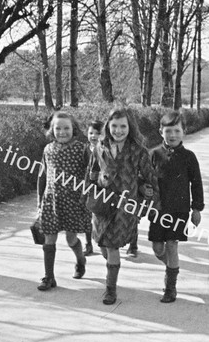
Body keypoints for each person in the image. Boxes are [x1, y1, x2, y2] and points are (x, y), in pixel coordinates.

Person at [88, 107, 160, 305]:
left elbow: (151, 178)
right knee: (102, 245)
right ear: (108, 127)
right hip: (102, 205)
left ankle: (110, 290)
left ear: (130, 127)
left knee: (112, 247)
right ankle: (112, 270)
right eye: (114, 126)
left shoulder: (138, 151)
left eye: (123, 126)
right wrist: (98, 182)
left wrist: (149, 204)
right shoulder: (99, 148)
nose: (118, 130)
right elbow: (91, 174)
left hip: (125, 208)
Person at [149, 111, 204, 303]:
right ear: (160, 131)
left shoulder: (189, 157)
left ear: (184, 132)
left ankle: (170, 287)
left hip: (179, 209)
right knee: (157, 248)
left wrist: (196, 209)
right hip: (157, 210)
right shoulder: (153, 154)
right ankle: (172, 268)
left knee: (172, 244)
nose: (172, 135)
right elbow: (144, 180)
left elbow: (196, 184)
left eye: (177, 131)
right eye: (168, 131)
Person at [37, 111, 92, 290]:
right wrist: (39, 202)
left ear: (73, 129)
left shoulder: (82, 149)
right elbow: (43, 176)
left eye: (66, 128)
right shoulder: (48, 149)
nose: (62, 132)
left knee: (70, 239)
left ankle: (80, 260)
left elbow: (91, 174)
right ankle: (48, 277)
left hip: (74, 201)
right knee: (49, 239)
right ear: (52, 130)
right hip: (51, 201)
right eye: (58, 128)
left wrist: (88, 195)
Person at [83, 120, 104, 256]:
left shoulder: (106, 149)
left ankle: (132, 243)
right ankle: (88, 244)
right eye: (91, 133)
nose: (94, 136)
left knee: (101, 215)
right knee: (86, 215)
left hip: (102, 187)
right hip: (87, 185)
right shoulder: (84, 149)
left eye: (98, 133)